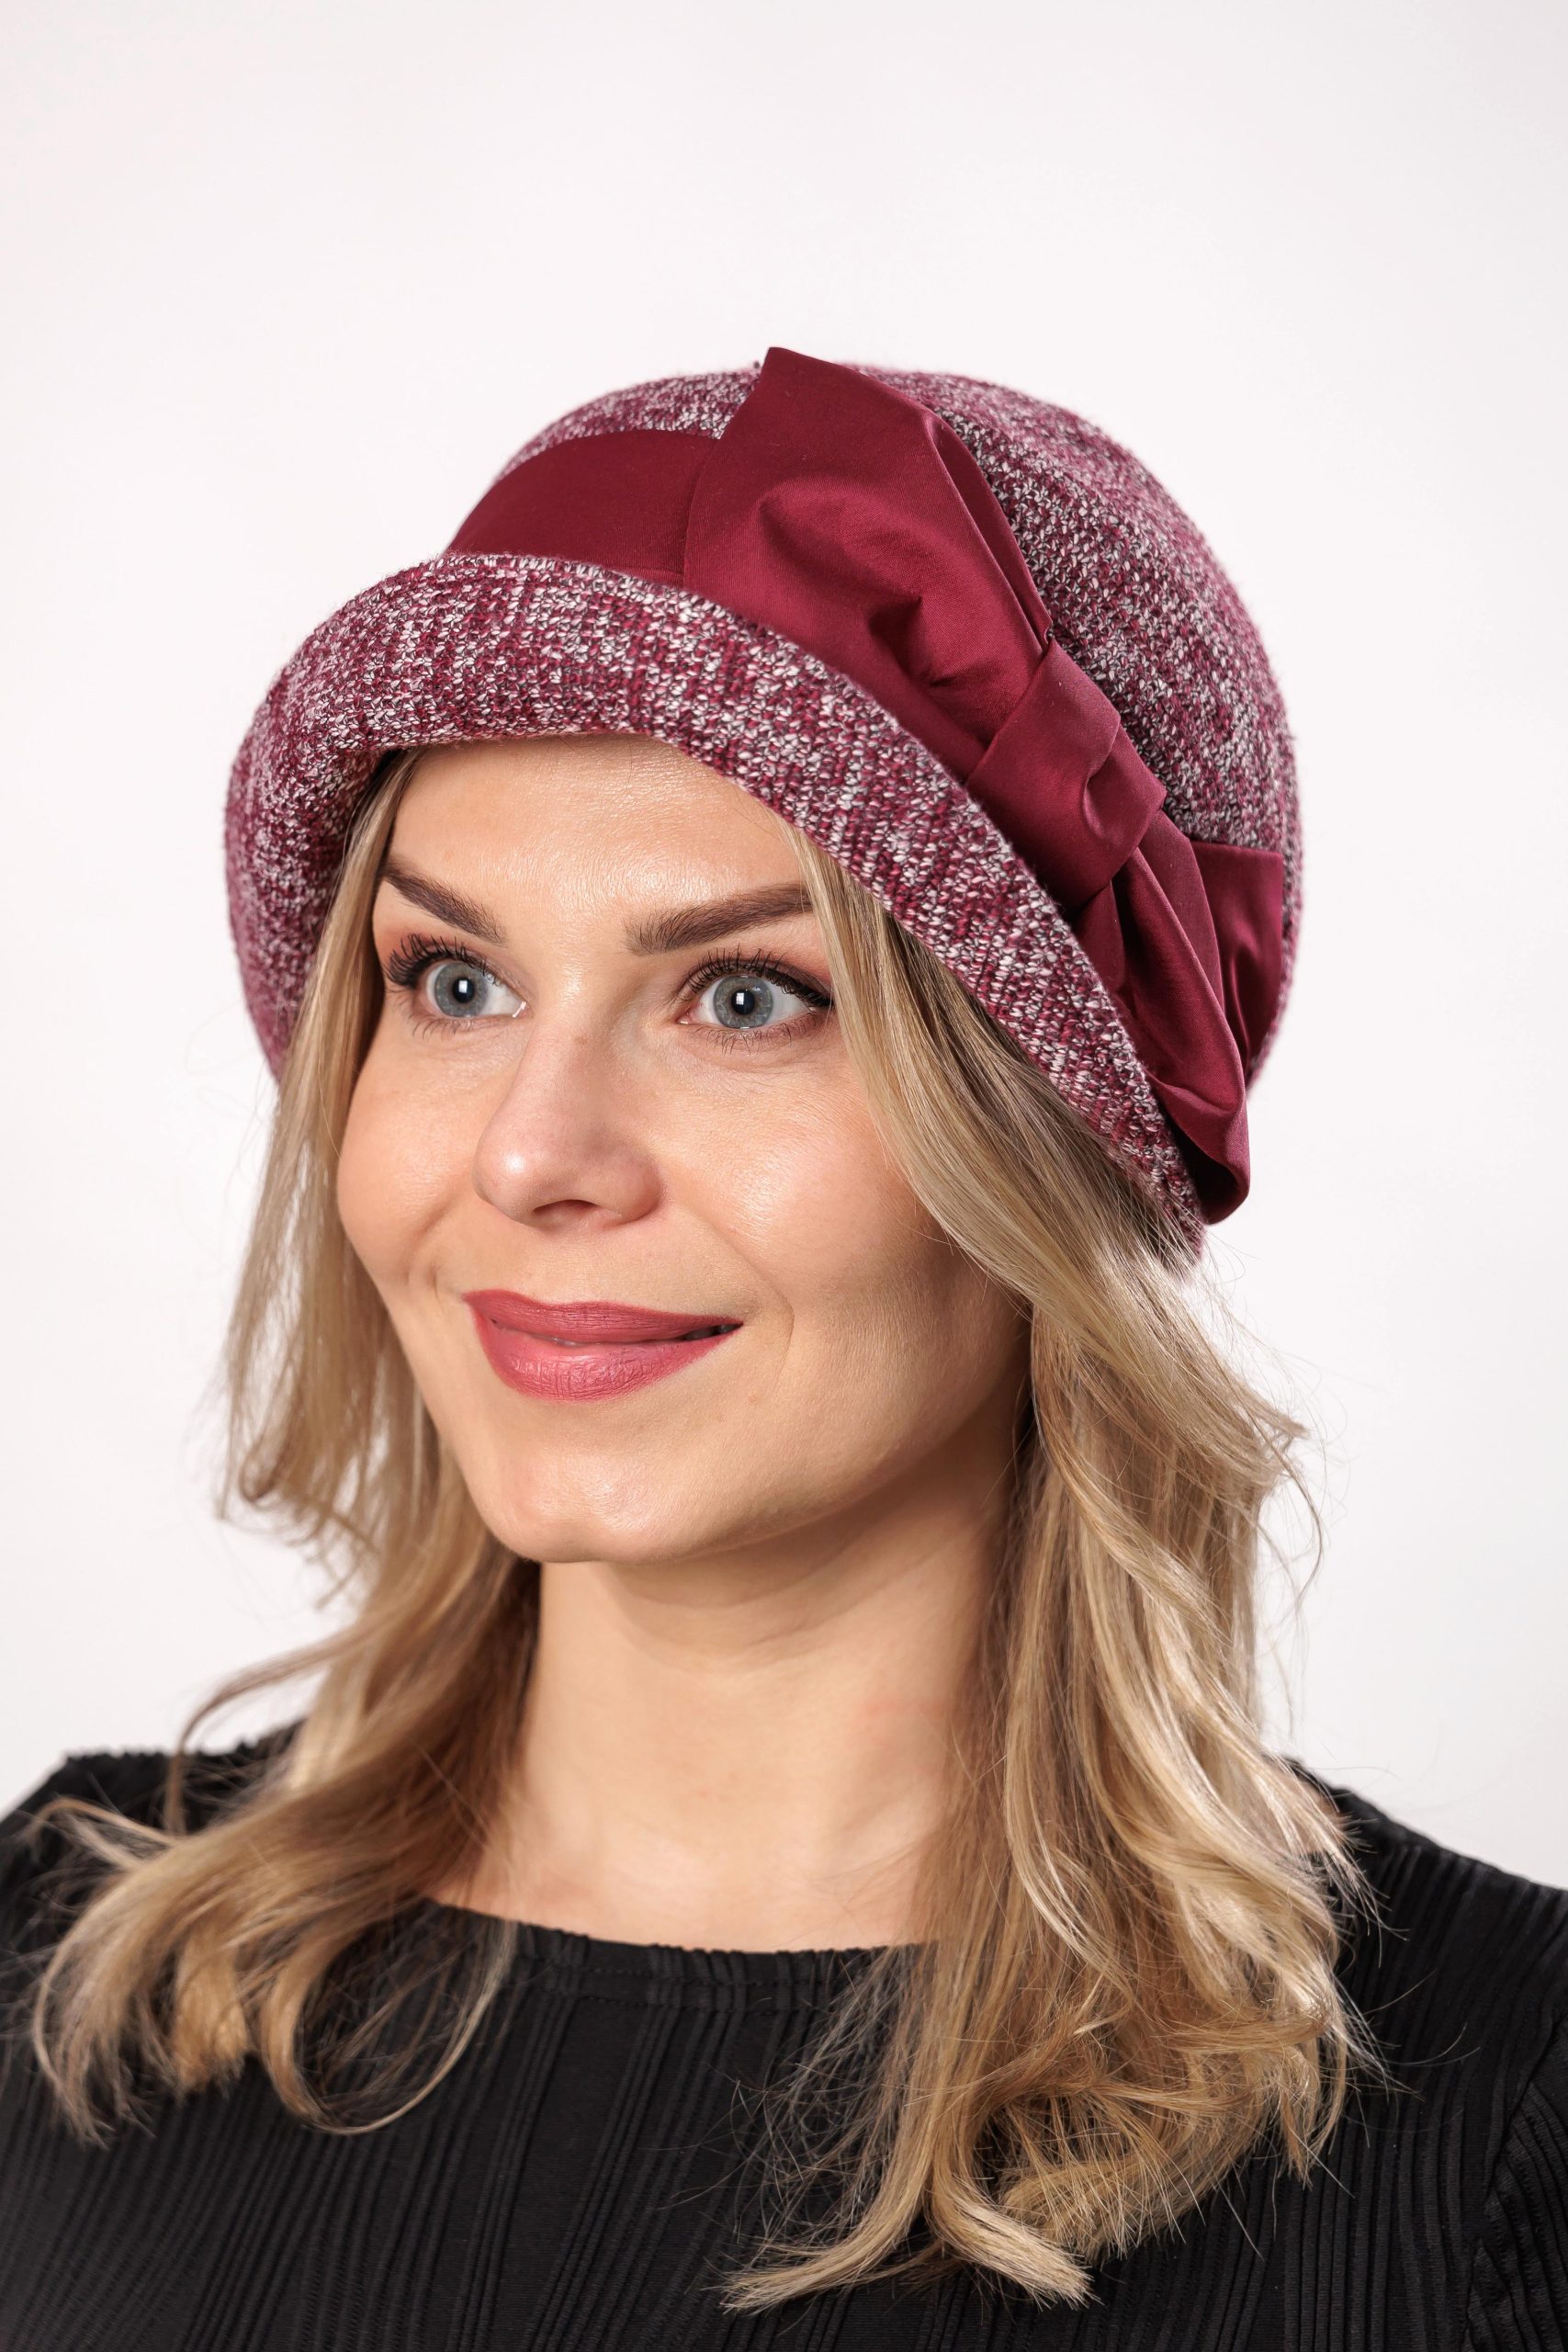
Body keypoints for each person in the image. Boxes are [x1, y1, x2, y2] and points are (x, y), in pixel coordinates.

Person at [2, 345, 1563, 2350]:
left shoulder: (1495, 2129)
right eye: (453, 980)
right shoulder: (63, 1958)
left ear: (1050, 1145)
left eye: (746, 996)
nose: (531, 1154)